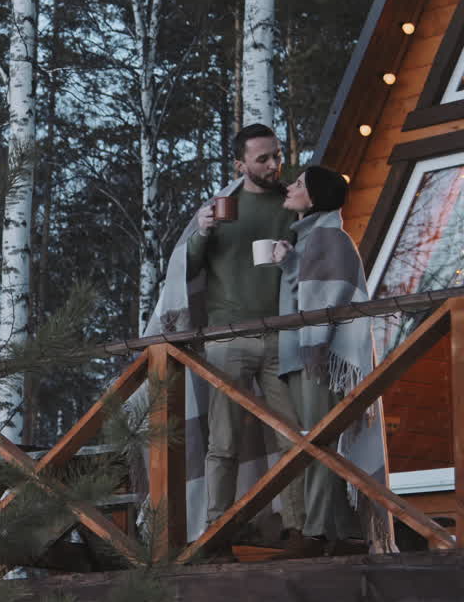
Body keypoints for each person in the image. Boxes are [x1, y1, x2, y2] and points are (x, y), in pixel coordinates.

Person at [143, 123, 305, 558]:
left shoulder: (292, 205)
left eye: (277, 156)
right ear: (240, 164)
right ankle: (218, 529)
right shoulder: (220, 208)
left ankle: (299, 527)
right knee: (224, 441)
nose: (274, 165)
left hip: (280, 337)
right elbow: (187, 268)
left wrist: (295, 256)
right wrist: (200, 231)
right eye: (263, 159)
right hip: (226, 339)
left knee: (295, 436)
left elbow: (313, 257)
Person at [271, 165, 383, 556]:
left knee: (319, 442)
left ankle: (318, 533)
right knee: (315, 442)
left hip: (318, 359)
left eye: (299, 184)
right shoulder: (307, 239)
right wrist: (289, 263)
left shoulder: (329, 238)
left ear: (314, 197)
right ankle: (341, 534)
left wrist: (288, 266)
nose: (291, 187)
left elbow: (329, 302)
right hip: (302, 358)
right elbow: (308, 296)